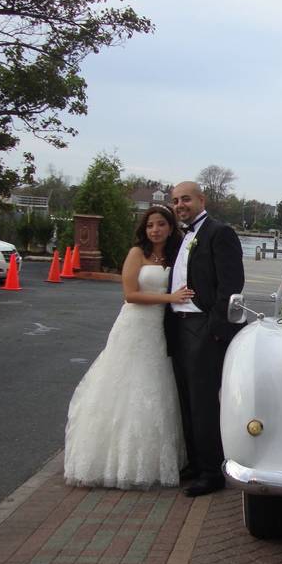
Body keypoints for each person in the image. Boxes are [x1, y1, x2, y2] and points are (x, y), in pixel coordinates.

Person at [64, 205, 194, 489]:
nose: (155, 230)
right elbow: (131, 294)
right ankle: (114, 462)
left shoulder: (175, 255)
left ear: (170, 227)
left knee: (155, 387)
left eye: (161, 224)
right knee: (124, 384)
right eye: (150, 225)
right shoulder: (137, 253)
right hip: (135, 325)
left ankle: (151, 459)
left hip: (160, 330)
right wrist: (170, 298)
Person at [165, 181, 245, 497]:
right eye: (175, 200)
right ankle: (197, 463)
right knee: (185, 398)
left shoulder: (219, 232)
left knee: (204, 404)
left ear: (201, 199)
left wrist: (214, 329)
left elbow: (231, 284)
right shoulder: (181, 236)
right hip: (179, 326)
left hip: (203, 327)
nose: (180, 204)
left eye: (185, 199)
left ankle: (212, 471)